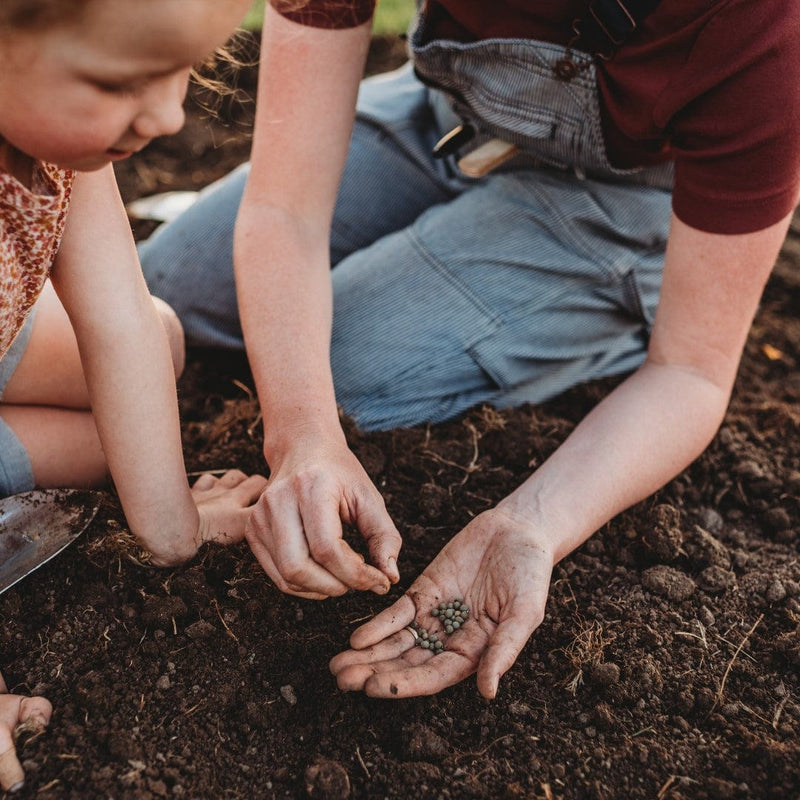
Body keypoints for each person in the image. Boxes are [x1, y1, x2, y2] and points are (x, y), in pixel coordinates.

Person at [139, 0, 800, 699]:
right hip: (452, 116)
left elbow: (691, 371)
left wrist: (532, 523)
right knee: (168, 290)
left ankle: (619, 302)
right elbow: (284, 209)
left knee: (344, 373)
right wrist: (300, 435)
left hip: (632, 192)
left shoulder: (759, 33)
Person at [0, 0, 264, 790]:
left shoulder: (63, 149)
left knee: (159, 341)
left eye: (184, 70)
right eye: (122, 81)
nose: (168, 114)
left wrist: (173, 529)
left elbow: (119, 325)